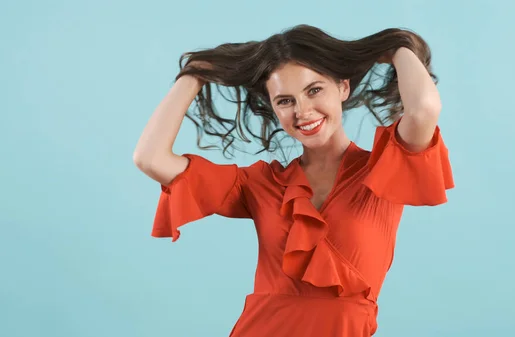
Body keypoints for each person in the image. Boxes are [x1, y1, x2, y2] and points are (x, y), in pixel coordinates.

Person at [133, 24, 454, 337]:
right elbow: (150, 158)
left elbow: (424, 109)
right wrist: (195, 74)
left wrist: (397, 47)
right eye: (285, 100)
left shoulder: (384, 167)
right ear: (273, 108)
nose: (302, 111)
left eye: (314, 90)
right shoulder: (260, 182)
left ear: (343, 87)